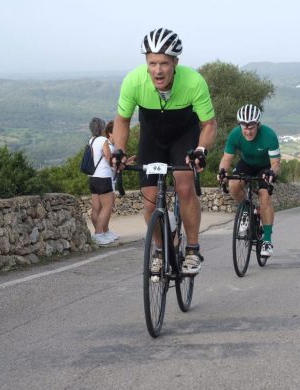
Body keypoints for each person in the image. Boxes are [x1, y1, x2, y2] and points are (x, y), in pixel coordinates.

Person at [112, 27, 217, 275]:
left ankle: (192, 248)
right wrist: (118, 150)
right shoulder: (133, 81)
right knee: (149, 203)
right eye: (152, 63)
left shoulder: (194, 82)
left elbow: (209, 124)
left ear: (175, 63)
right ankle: (161, 248)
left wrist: (201, 149)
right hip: (152, 139)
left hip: (183, 136)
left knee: (184, 186)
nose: (157, 70)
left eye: (164, 63)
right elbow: (122, 121)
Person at [218, 104, 281, 257]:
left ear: (257, 125)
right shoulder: (235, 135)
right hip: (246, 164)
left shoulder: (269, 135)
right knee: (233, 184)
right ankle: (247, 212)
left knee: (264, 195)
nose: (247, 131)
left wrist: (271, 173)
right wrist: (222, 172)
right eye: (244, 127)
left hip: (265, 167)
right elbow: (226, 159)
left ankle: (266, 240)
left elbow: (276, 164)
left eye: (251, 127)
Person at [88, 117, 117, 246]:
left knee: (96, 208)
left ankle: (102, 233)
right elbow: (107, 156)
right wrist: (115, 161)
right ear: (102, 128)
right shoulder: (103, 140)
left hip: (93, 177)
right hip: (103, 177)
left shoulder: (91, 140)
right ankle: (99, 234)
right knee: (107, 206)